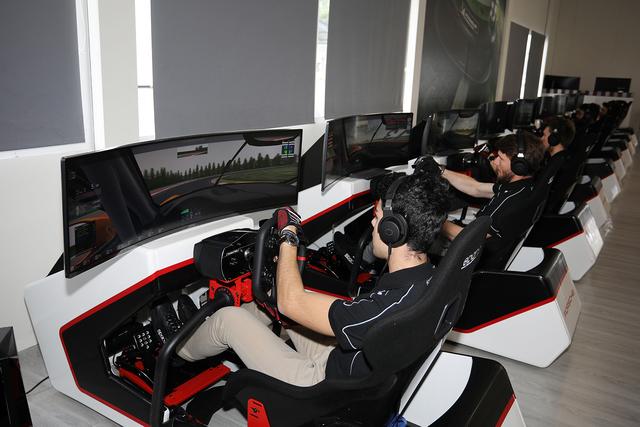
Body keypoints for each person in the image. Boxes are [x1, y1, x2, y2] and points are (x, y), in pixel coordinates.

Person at [177, 171, 450, 386]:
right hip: (348, 362)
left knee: (229, 319)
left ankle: (178, 350)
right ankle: (201, 328)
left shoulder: (385, 309)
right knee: (272, 298)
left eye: (376, 217)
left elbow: (291, 302)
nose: (372, 223)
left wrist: (288, 236)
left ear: (393, 230)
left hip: (321, 384)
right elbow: (294, 303)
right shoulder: (428, 278)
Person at [439, 132, 545, 269]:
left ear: (519, 165)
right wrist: (441, 171)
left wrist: (433, 220)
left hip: (472, 265)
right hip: (481, 251)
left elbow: (467, 240)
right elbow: (476, 188)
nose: (494, 162)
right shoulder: (523, 187)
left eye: (501, 158)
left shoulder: (509, 202)